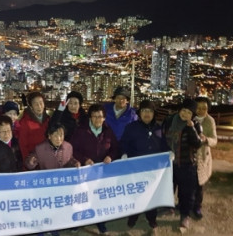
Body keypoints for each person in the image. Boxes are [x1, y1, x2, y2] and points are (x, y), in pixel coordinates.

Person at [71, 104, 120, 235]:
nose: (97, 119)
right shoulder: (81, 131)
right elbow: (73, 150)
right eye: (94, 116)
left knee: (98, 198)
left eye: (100, 116)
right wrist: (84, 159)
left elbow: (116, 149)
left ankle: (100, 223)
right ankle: (79, 221)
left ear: (104, 118)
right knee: (82, 197)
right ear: (90, 118)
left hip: (102, 172)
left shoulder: (108, 132)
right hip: (85, 171)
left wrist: (110, 156)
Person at [120, 100, 168, 233]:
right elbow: (123, 142)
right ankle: (133, 216)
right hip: (135, 168)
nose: (147, 114)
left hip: (153, 170)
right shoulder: (131, 127)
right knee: (135, 194)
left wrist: (169, 153)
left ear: (154, 114)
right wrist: (124, 153)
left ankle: (151, 217)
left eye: (150, 111)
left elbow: (164, 145)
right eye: (144, 111)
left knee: (152, 194)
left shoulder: (159, 128)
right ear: (139, 113)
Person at [163, 99, 202, 230]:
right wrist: (166, 151)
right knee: (168, 188)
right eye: (183, 110)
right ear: (179, 109)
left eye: (189, 112)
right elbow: (163, 138)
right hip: (170, 164)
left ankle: (185, 215)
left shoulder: (195, 125)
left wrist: (191, 128)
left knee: (186, 193)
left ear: (193, 115)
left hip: (187, 164)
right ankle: (169, 207)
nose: (185, 114)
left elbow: (197, 144)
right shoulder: (169, 121)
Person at [193, 97, 218, 219]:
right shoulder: (190, 118)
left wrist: (206, 139)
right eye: (198, 107)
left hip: (203, 156)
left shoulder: (210, 121)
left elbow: (214, 140)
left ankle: (197, 206)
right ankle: (185, 204)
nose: (201, 110)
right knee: (188, 183)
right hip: (189, 155)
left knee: (199, 185)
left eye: (204, 108)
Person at [18, 91, 50, 163]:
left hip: (46, 160)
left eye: (41, 103)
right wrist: (27, 161)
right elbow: (22, 144)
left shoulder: (48, 119)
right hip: (33, 160)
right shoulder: (25, 122)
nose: (39, 106)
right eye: (36, 104)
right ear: (31, 106)